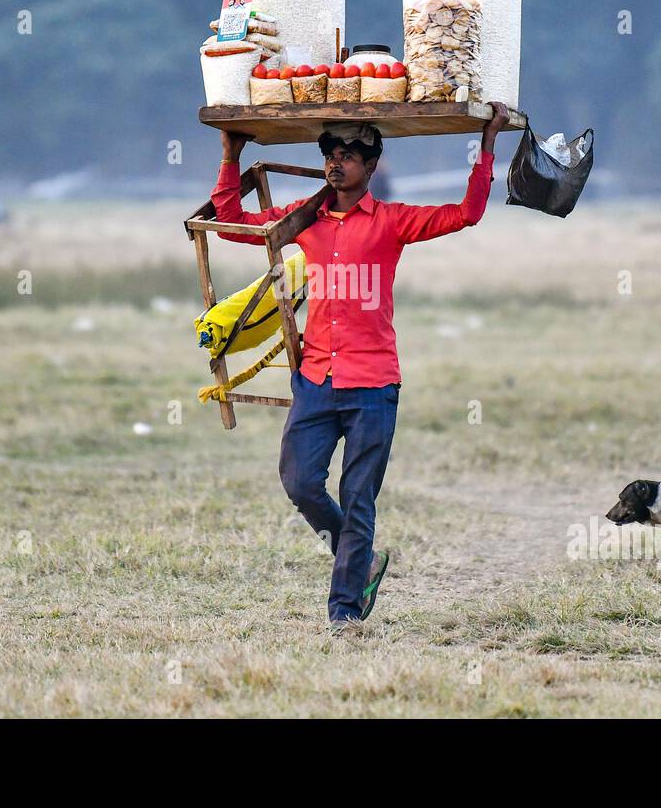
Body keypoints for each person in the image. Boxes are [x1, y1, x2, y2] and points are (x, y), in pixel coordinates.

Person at [211, 103, 511, 633]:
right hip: (316, 378)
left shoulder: (393, 222)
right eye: (330, 153)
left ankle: (344, 611)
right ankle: (360, 556)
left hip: (374, 384)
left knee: (358, 497)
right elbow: (233, 227)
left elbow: (467, 212)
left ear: (371, 165)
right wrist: (231, 156)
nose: (336, 162)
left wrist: (486, 144)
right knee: (300, 481)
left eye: (349, 155)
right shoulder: (303, 218)